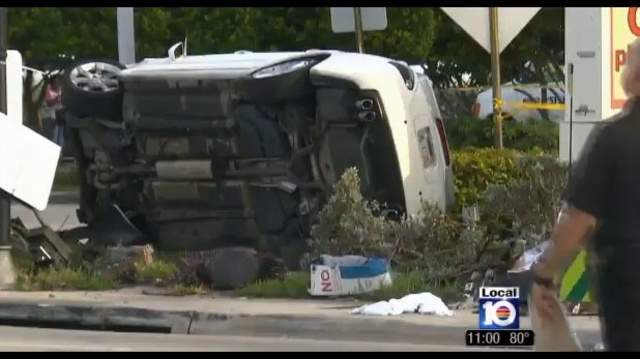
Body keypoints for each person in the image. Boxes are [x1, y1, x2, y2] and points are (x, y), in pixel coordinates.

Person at [531, 37, 640, 351]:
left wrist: (545, 273)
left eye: (627, 61)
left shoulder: (613, 137)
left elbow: (578, 219)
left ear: (634, 77)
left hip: (630, 291)